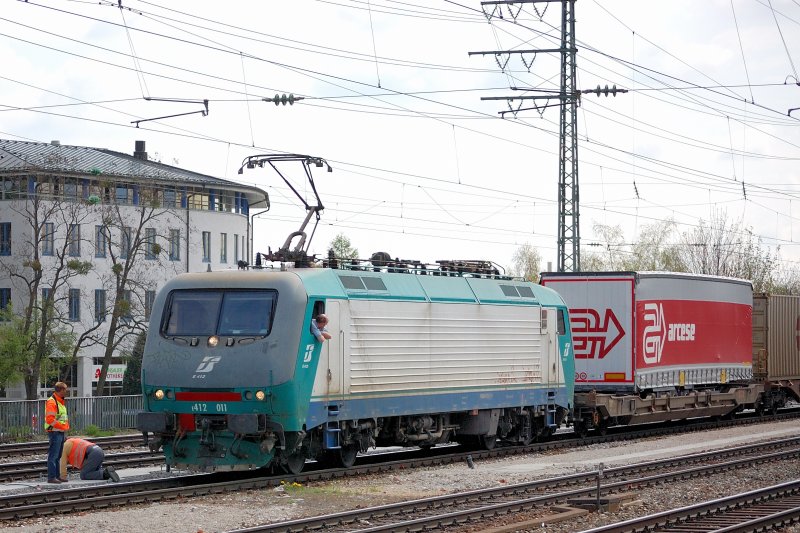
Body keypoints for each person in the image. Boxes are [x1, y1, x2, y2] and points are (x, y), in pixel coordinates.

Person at [44, 382, 70, 484]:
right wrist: (62, 427)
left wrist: (64, 430)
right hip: (55, 432)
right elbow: (50, 419)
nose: (66, 392)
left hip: (60, 432)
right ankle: (52, 477)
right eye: (65, 390)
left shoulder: (59, 402)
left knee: (58, 456)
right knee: (53, 456)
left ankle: (57, 476)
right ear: (61, 390)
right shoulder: (52, 402)